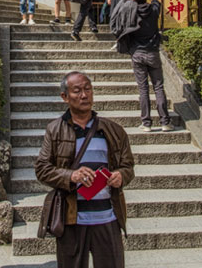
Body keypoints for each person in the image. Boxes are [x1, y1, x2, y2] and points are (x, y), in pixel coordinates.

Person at [35, 71, 134, 268]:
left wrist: (120, 176)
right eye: (77, 91)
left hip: (108, 217)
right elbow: (42, 169)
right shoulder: (55, 130)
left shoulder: (114, 130)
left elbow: (128, 166)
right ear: (65, 97)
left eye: (88, 89)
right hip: (72, 219)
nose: (84, 95)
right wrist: (72, 175)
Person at [116, 0, 171, 132]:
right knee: (158, 87)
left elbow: (121, 8)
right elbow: (156, 2)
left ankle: (146, 123)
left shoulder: (131, 11)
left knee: (143, 89)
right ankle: (165, 122)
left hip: (137, 53)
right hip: (153, 52)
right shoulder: (153, 10)